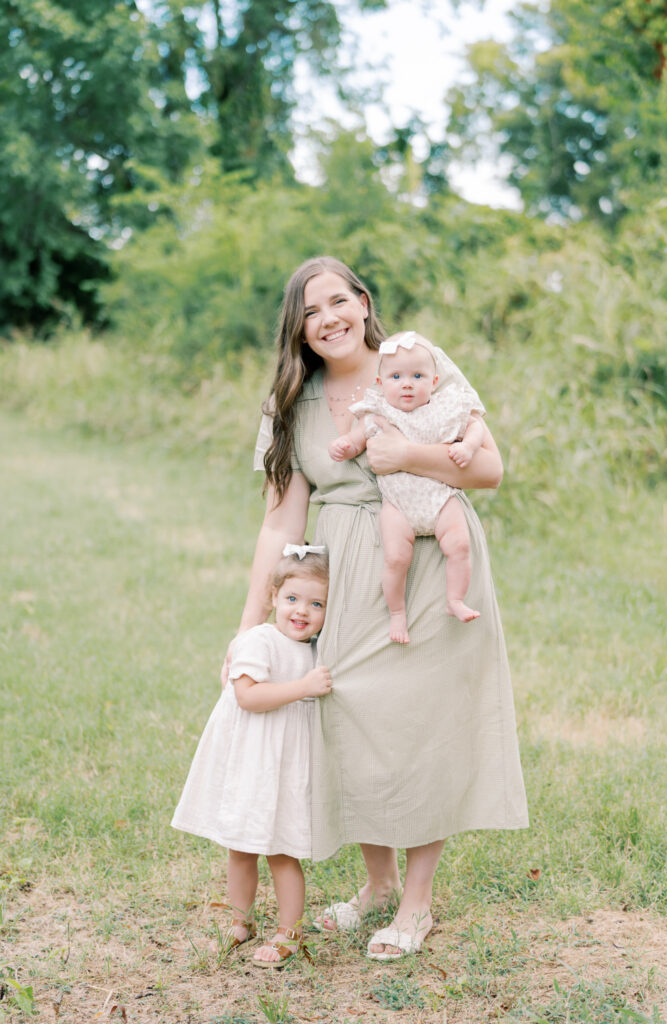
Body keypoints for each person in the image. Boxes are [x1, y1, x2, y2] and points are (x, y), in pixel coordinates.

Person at [226, 255, 527, 962]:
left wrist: (405, 457)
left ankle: (417, 905)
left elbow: (488, 469)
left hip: (427, 559)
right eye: (310, 310)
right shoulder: (291, 401)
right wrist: (248, 630)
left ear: (363, 303)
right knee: (351, 716)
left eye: (338, 301)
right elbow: (280, 523)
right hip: (341, 569)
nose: (327, 318)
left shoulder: (418, 365)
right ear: (297, 327)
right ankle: (379, 884)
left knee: (420, 722)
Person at [172, 546, 332, 967]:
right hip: (249, 761)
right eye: (293, 599)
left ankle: (289, 932)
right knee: (240, 847)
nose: (302, 611)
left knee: (282, 849)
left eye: (317, 604)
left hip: (284, 766)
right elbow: (248, 697)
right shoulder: (259, 639)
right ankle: (239, 922)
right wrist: (305, 687)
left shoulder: (315, 651)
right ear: (274, 597)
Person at [329, 329, 485, 643]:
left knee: (459, 545)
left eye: (417, 375)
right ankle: (397, 613)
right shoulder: (379, 412)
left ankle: (455, 599)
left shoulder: (442, 409)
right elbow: (359, 437)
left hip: (440, 496)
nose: (407, 383)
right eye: (396, 376)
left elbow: (475, 425)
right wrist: (346, 444)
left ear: (434, 382)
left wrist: (467, 447)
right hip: (397, 504)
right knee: (396, 558)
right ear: (380, 384)